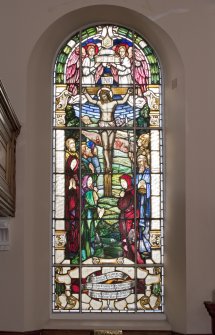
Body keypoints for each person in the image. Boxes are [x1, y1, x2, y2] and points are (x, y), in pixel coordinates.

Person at [83, 87, 132, 173]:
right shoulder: (100, 103)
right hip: (103, 126)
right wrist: (85, 93)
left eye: (104, 96)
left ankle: (109, 163)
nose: (103, 98)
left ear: (108, 95)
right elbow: (91, 100)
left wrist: (128, 93)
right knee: (105, 147)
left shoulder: (113, 103)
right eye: (101, 96)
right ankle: (108, 165)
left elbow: (123, 101)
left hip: (112, 126)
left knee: (110, 147)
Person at [117, 174, 144, 264]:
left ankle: (138, 263)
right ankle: (130, 262)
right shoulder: (130, 192)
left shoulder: (129, 193)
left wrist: (121, 196)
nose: (122, 184)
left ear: (128, 182)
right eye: (121, 183)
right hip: (129, 222)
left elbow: (122, 206)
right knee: (128, 244)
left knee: (131, 243)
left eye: (123, 182)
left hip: (130, 223)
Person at [81, 175, 104, 260]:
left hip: (89, 215)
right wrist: (99, 215)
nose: (90, 182)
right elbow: (92, 227)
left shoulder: (90, 192)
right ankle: (87, 256)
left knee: (89, 238)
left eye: (91, 180)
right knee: (88, 237)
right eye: (88, 180)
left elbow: (94, 203)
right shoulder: (87, 193)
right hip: (87, 218)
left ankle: (89, 255)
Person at [65, 138, 80, 260]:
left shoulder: (76, 158)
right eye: (71, 144)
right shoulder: (71, 159)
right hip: (71, 198)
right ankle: (71, 248)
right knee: (72, 220)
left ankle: (75, 247)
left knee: (76, 220)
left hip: (76, 195)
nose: (74, 145)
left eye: (74, 143)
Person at [136, 154, 151, 257]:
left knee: (146, 227)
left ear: (145, 161)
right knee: (140, 227)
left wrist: (146, 185)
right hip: (139, 203)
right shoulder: (138, 173)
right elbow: (134, 185)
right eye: (138, 161)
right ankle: (141, 249)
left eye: (141, 161)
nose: (140, 163)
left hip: (146, 204)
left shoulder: (149, 172)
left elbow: (152, 185)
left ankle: (148, 248)